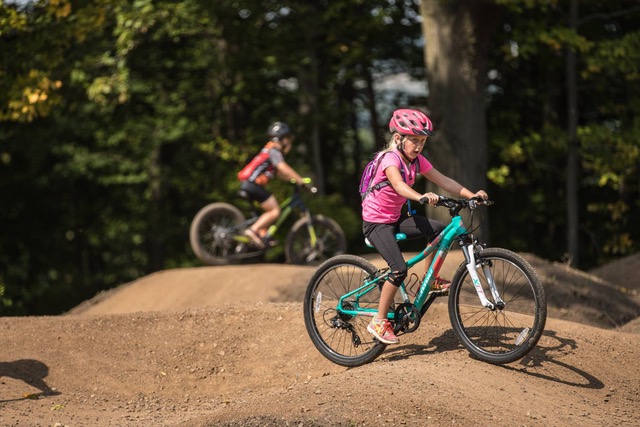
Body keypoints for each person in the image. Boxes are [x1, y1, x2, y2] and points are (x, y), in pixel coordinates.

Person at [362, 108, 488, 345]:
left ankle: (431, 279)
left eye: (423, 141)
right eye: (414, 140)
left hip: (395, 217)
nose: (419, 146)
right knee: (398, 269)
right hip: (376, 222)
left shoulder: (417, 160)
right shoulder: (390, 159)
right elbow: (399, 186)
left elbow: (444, 181)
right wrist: (420, 196)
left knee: (439, 230)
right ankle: (378, 320)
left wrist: (472, 195)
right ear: (398, 138)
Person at [238, 121, 305, 248]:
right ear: (283, 139)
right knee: (275, 211)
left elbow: (280, 174)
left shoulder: (267, 149)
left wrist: (293, 180)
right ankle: (252, 231)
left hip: (247, 184)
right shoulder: (274, 150)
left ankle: (261, 233)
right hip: (253, 185)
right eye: (288, 139)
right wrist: (300, 180)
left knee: (266, 212)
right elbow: (283, 167)